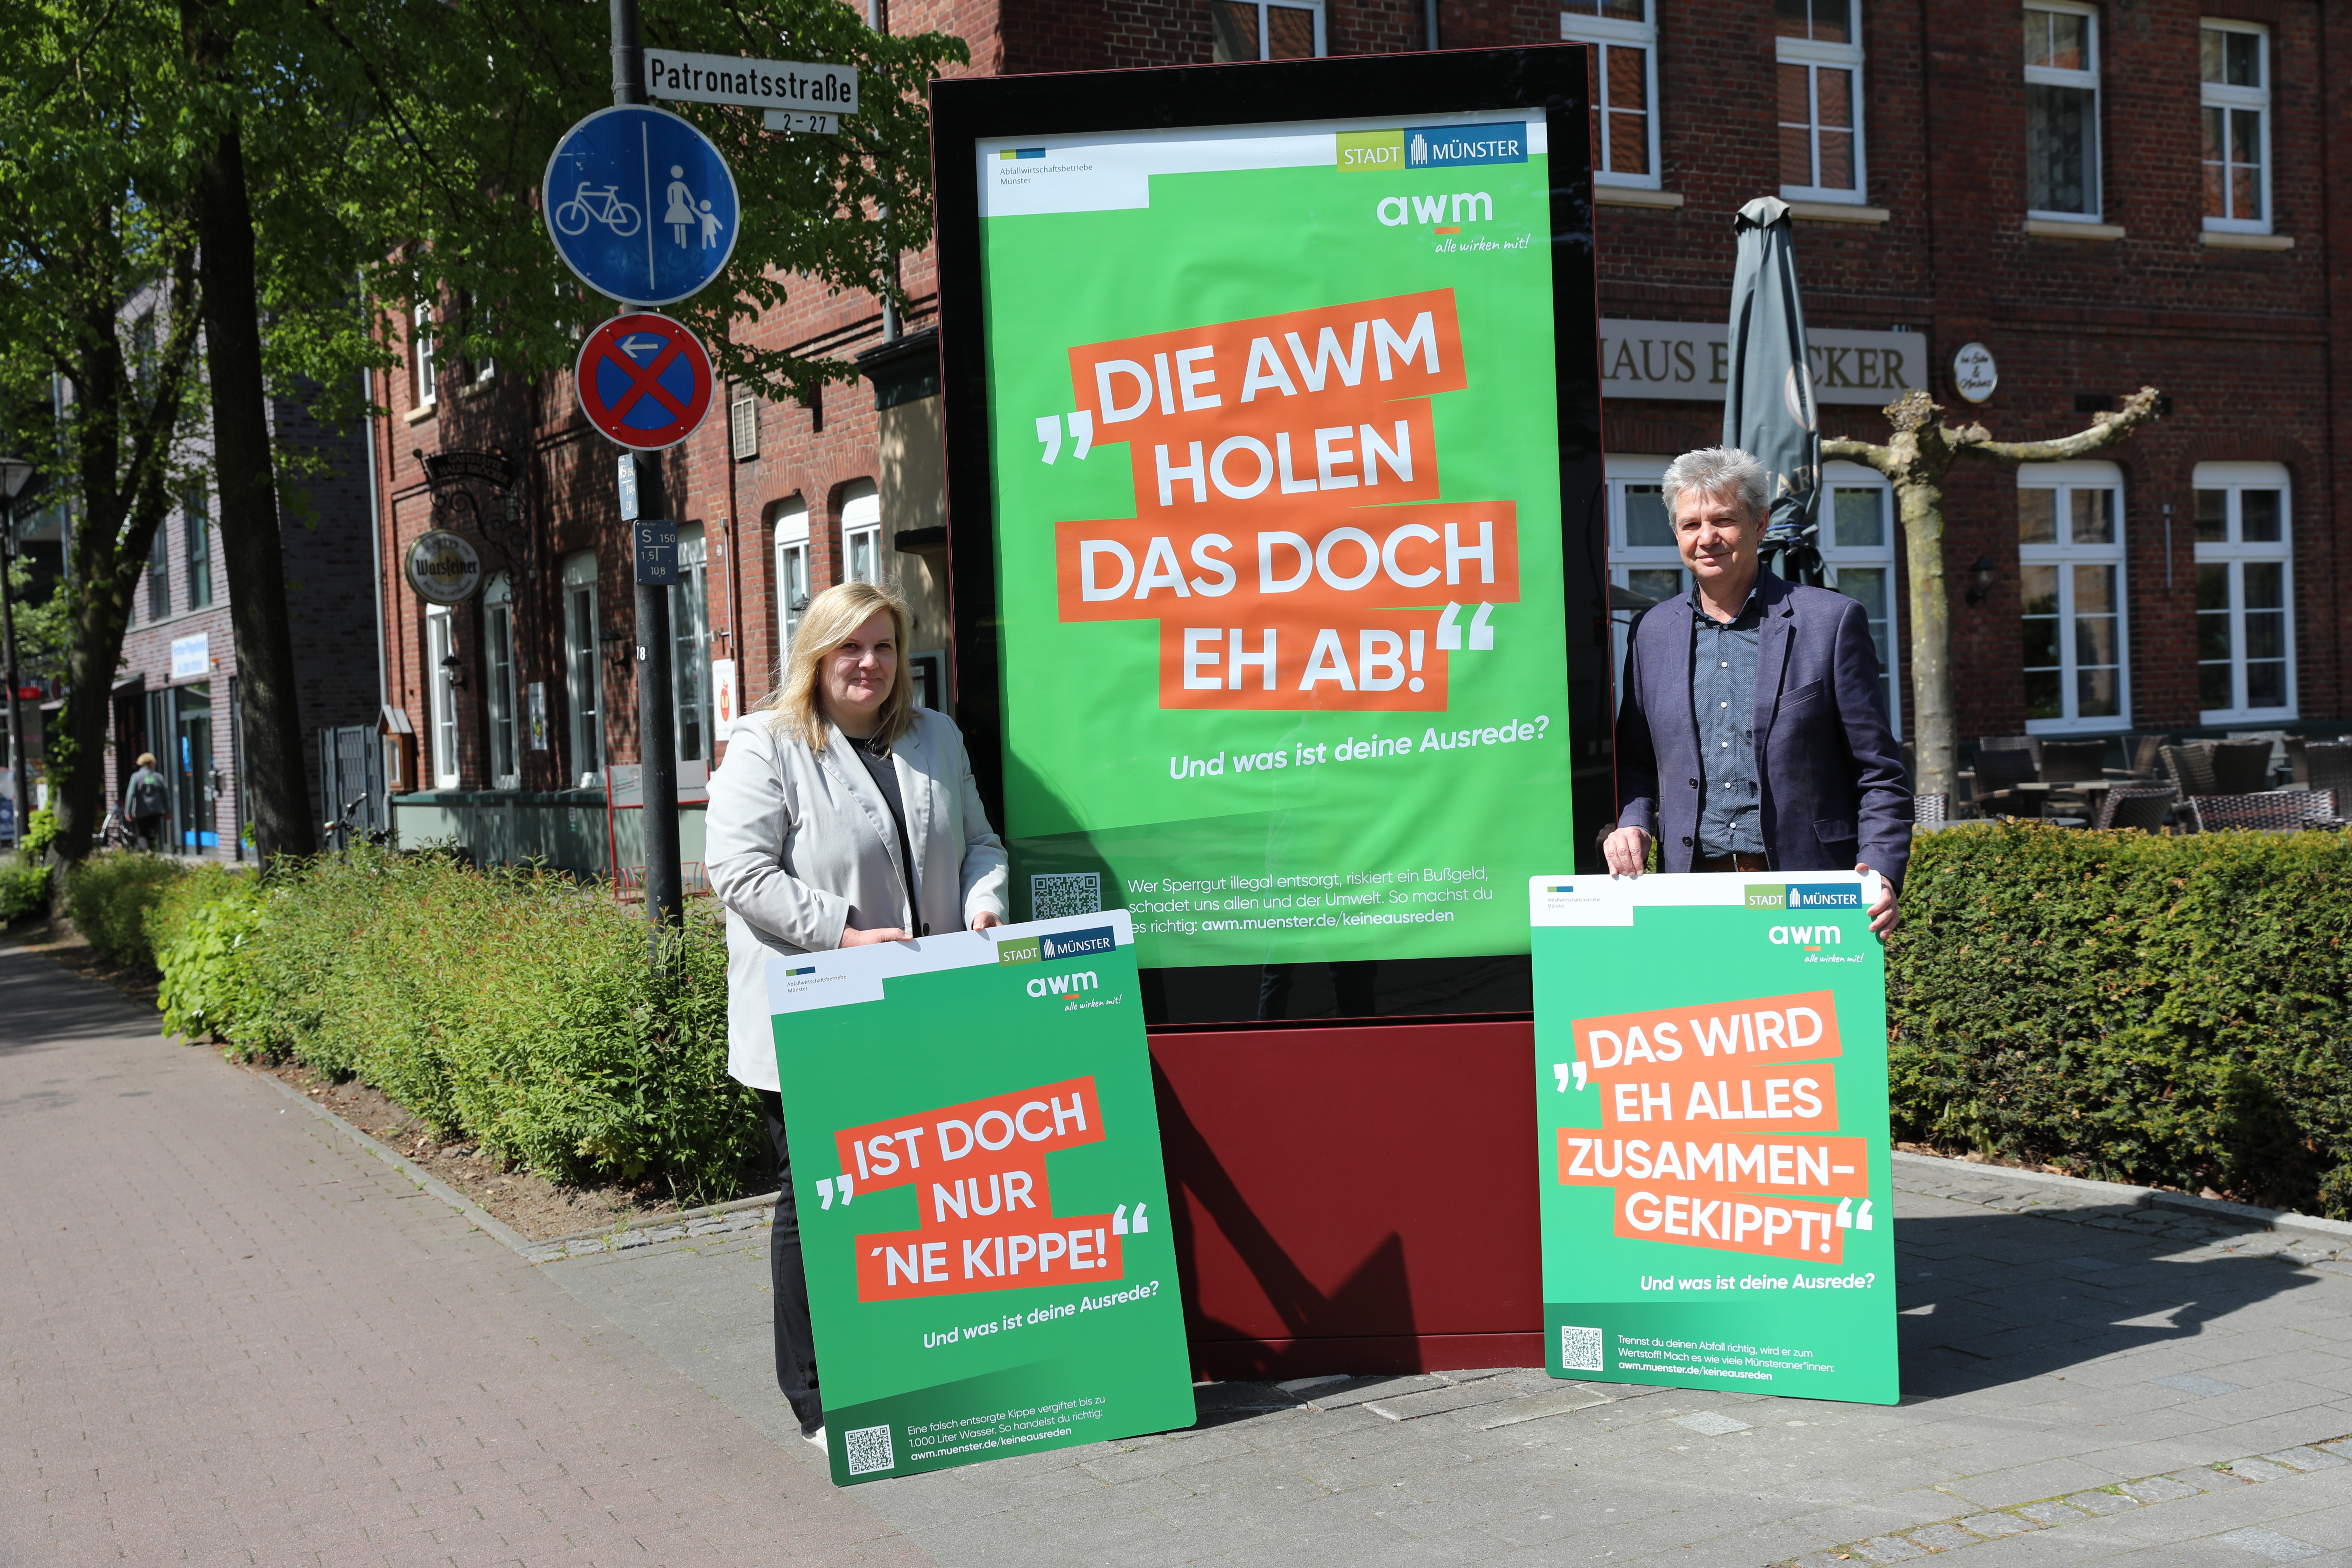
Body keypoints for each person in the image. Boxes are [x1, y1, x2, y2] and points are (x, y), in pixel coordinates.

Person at [704, 581, 1009, 1451]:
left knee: (918, 1188)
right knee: (819, 1198)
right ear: (817, 654)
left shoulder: (935, 735)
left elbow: (980, 843)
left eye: (883, 646)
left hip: (925, 1003)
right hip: (819, 1008)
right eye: (850, 646)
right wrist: (841, 934)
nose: (868, 663)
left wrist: (984, 903)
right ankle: (817, 1396)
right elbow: (738, 871)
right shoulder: (766, 743)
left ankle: (911, 1360)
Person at [1604, 447, 1907, 934]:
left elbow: (1880, 772)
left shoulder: (1830, 622)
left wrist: (1882, 872)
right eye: (1690, 524)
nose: (1707, 538)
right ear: (1677, 533)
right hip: (1692, 892)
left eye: (1724, 520)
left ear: (1760, 524)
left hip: (1810, 894)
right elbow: (1636, 761)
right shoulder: (1651, 633)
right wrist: (1634, 822)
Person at [126, 752, 170, 852]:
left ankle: (147, 851)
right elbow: (166, 795)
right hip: (157, 809)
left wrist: (128, 811)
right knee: (153, 833)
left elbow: (131, 794)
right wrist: (168, 812)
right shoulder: (159, 777)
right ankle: (152, 852)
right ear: (151, 764)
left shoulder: (136, 777)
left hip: (141, 809)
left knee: (141, 834)